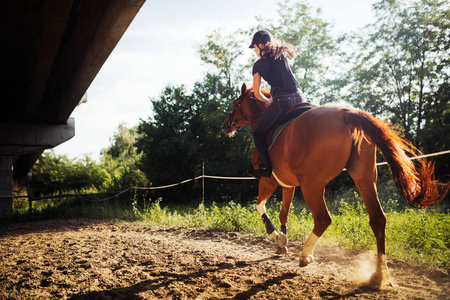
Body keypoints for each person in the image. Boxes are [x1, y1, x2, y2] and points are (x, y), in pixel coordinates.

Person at [248, 30, 306, 179]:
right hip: (300, 98)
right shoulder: (282, 56)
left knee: (258, 132)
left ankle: (266, 168)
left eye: (254, 47)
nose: (254, 51)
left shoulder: (259, 64)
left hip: (282, 102)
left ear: (261, 45)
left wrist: (267, 101)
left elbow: (256, 93)